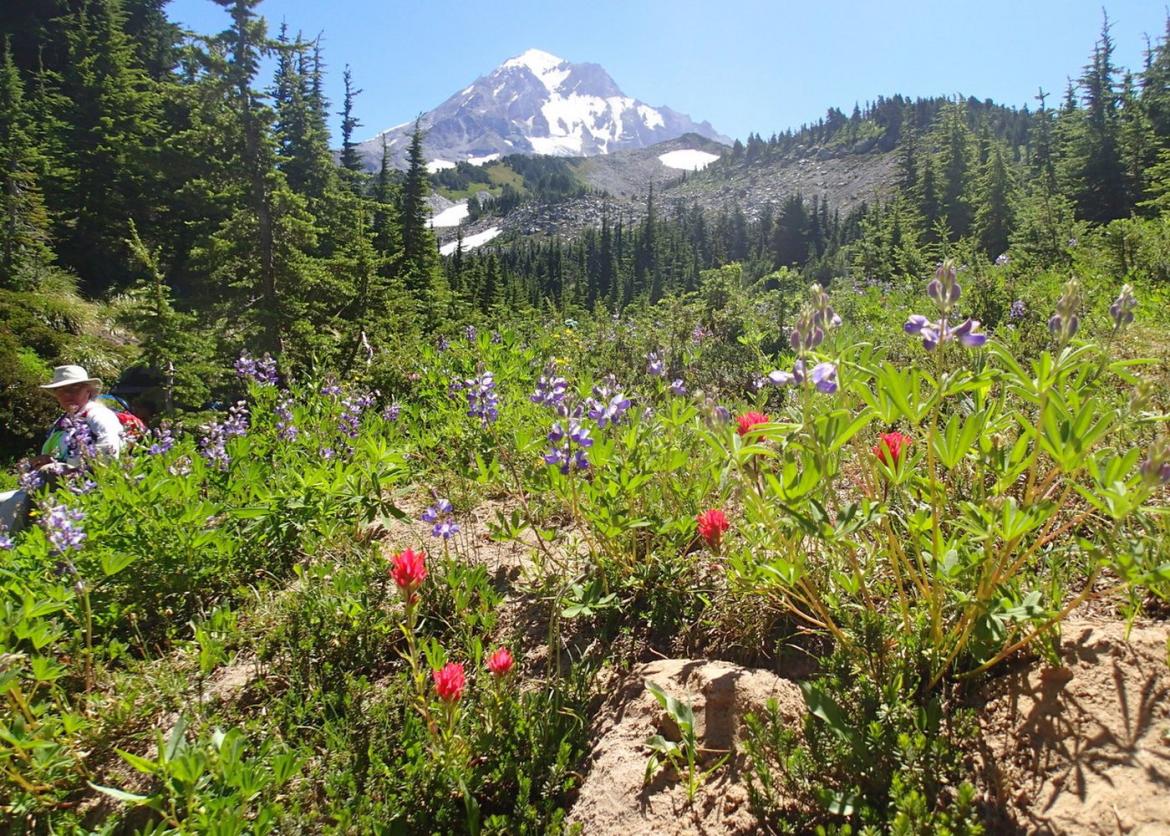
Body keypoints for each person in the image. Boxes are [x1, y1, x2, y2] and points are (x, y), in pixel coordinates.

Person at [0, 365, 125, 534]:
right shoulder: (62, 421)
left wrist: (74, 468)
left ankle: (25, 533)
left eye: (74, 388)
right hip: (60, 487)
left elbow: (111, 448)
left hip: (91, 484)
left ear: (88, 391)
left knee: (47, 472)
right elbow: (60, 455)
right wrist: (43, 460)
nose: (67, 395)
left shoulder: (99, 415)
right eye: (61, 390)